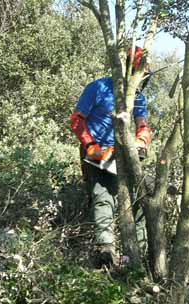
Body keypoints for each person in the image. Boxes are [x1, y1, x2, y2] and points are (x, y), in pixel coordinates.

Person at [69, 47, 152, 267]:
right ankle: (105, 250)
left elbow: (142, 125)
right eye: (139, 71)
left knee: (138, 201)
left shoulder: (139, 98)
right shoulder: (98, 88)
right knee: (103, 195)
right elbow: (77, 120)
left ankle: (137, 255)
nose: (142, 77)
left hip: (126, 152)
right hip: (98, 151)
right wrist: (90, 145)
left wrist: (141, 142)